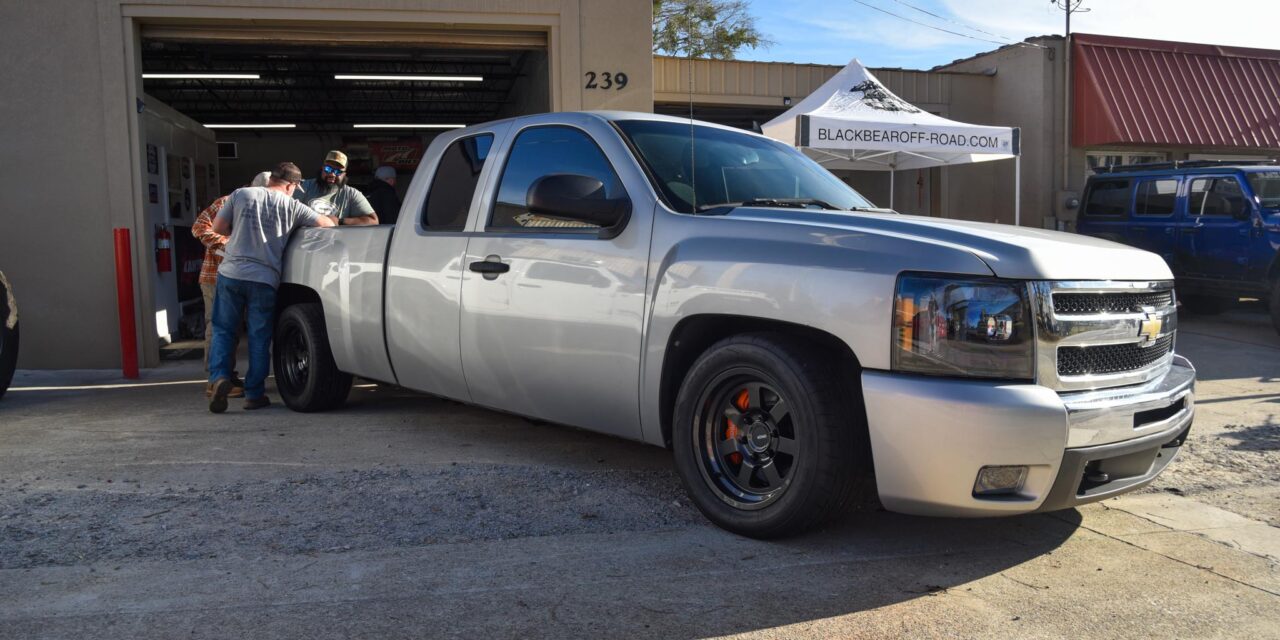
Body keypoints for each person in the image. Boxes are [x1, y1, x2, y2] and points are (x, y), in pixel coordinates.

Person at [207, 162, 336, 413]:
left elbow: (218, 229)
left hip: (231, 274)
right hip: (264, 279)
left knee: (224, 331)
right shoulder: (293, 206)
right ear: (291, 185)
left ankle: (219, 379)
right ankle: (254, 395)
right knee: (259, 337)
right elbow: (327, 225)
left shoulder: (241, 194)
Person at [191, 171, 271, 399]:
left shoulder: (263, 207)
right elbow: (198, 227)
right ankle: (213, 382)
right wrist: (231, 244)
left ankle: (227, 377)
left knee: (234, 330)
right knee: (217, 328)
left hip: (243, 276)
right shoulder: (228, 201)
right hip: (215, 275)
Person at [293, 150, 379, 226]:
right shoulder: (304, 186)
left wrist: (340, 221)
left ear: (344, 175)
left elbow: (373, 220)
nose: (332, 174)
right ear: (322, 169)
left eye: (338, 171)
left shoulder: (352, 194)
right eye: (328, 169)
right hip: (304, 240)